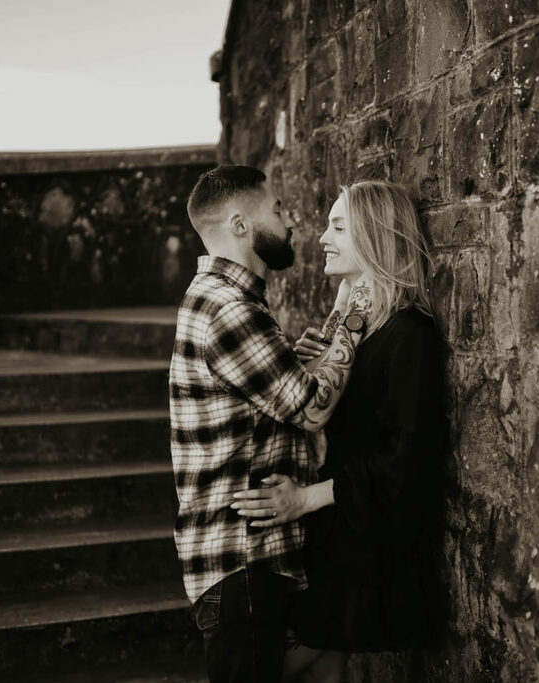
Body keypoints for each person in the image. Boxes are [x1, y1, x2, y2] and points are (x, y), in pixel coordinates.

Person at [230, 181, 447, 683]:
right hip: (339, 532)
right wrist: (323, 353)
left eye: (339, 227)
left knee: (287, 663)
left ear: (374, 237)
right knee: (326, 668)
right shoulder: (361, 331)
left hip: (363, 539)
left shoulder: (410, 334)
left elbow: (407, 463)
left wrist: (305, 500)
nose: (322, 237)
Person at [169, 165, 373, 683]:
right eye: (278, 209)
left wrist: (323, 342)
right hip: (243, 561)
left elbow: (280, 400)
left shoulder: (229, 301)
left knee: (324, 663)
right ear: (240, 225)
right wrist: (354, 315)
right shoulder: (229, 310)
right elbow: (312, 409)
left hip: (254, 561)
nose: (291, 220)